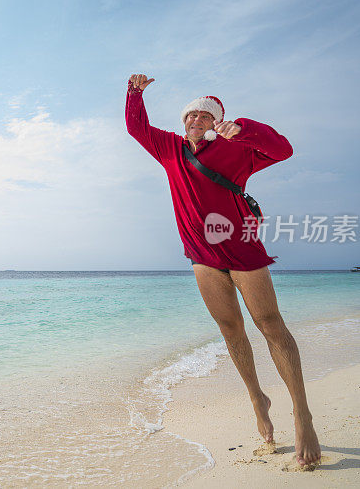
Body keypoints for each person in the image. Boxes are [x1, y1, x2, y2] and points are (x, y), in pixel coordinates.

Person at [125, 74, 321, 467]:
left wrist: (243, 129)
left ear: (215, 122)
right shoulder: (170, 148)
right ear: (184, 121)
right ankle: (256, 396)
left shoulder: (237, 148)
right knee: (231, 330)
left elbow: (284, 149)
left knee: (269, 324)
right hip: (201, 257)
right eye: (191, 114)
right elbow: (136, 127)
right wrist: (134, 94)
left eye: (205, 115)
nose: (196, 120)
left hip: (243, 250)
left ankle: (302, 414)